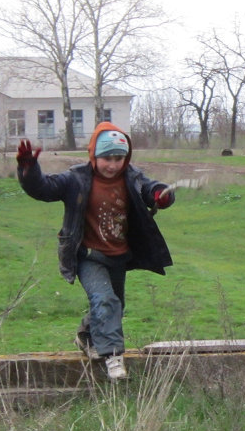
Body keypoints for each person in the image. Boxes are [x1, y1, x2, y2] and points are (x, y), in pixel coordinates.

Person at [16, 122, 175, 381]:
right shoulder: (75, 179)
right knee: (105, 301)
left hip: (118, 256)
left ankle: (85, 335)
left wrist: (161, 194)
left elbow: (150, 189)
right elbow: (44, 189)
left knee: (115, 306)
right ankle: (113, 358)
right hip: (87, 256)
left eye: (118, 158)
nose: (112, 165)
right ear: (94, 156)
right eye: (106, 158)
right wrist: (28, 170)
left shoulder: (132, 177)